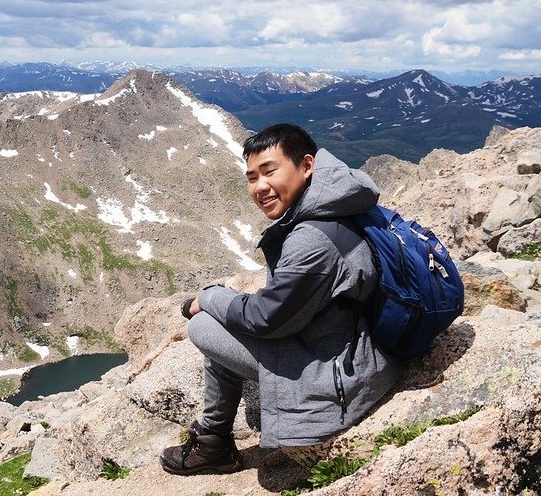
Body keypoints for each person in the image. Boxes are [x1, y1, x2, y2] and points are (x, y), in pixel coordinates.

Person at [159, 123, 402, 475]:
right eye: (251, 177)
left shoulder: (312, 237)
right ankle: (213, 441)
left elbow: (264, 319)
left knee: (203, 324)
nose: (260, 187)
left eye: (270, 171)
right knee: (226, 317)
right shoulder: (337, 203)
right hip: (353, 347)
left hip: (342, 377)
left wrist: (210, 297)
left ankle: (214, 444)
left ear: (306, 166)